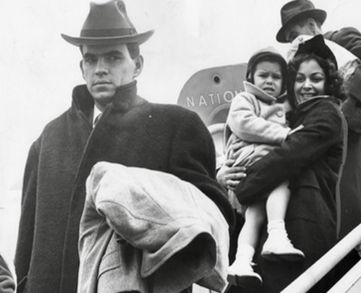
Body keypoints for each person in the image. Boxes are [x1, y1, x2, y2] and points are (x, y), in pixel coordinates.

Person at [14, 1, 233, 292]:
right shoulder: (48, 140)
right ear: (81, 68)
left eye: (114, 57)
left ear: (137, 64)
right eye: (91, 60)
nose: (100, 69)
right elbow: (26, 245)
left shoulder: (175, 126)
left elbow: (211, 220)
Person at [231, 35, 346, 292]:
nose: (306, 86)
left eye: (316, 79)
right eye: (300, 79)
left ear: (329, 82)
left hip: (304, 222)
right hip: (282, 223)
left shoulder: (327, 113)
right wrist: (226, 172)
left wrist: (243, 187)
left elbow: (289, 155)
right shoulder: (290, 116)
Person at [276, 0, 361, 239]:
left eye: (294, 34)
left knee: (354, 216)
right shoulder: (298, 60)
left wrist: (347, 108)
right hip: (321, 143)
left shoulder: (338, 39)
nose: (292, 41)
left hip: (348, 138)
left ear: (311, 25)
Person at [224, 47, 304, 287]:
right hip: (249, 158)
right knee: (281, 180)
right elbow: (243, 123)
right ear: (251, 78)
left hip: (255, 163)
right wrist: (285, 135)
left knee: (255, 214)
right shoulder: (245, 99)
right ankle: (277, 234)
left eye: (276, 77)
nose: (269, 81)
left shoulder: (282, 105)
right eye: (263, 75)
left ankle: (242, 261)